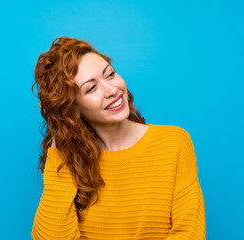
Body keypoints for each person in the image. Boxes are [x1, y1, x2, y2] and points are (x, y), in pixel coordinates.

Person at [31, 37, 206, 239]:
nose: (112, 90)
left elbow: (190, 233)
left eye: (110, 75)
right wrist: (58, 124)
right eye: (91, 88)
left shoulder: (174, 143)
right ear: (71, 107)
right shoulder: (72, 159)